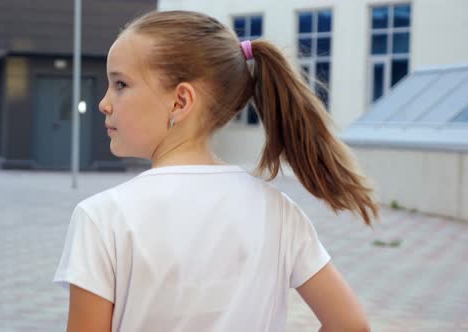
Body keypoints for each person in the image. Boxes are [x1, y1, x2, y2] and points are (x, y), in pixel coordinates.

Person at [54, 10, 377, 332]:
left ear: (180, 101)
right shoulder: (278, 211)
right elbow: (349, 324)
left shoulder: (102, 217)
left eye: (120, 84)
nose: (104, 103)